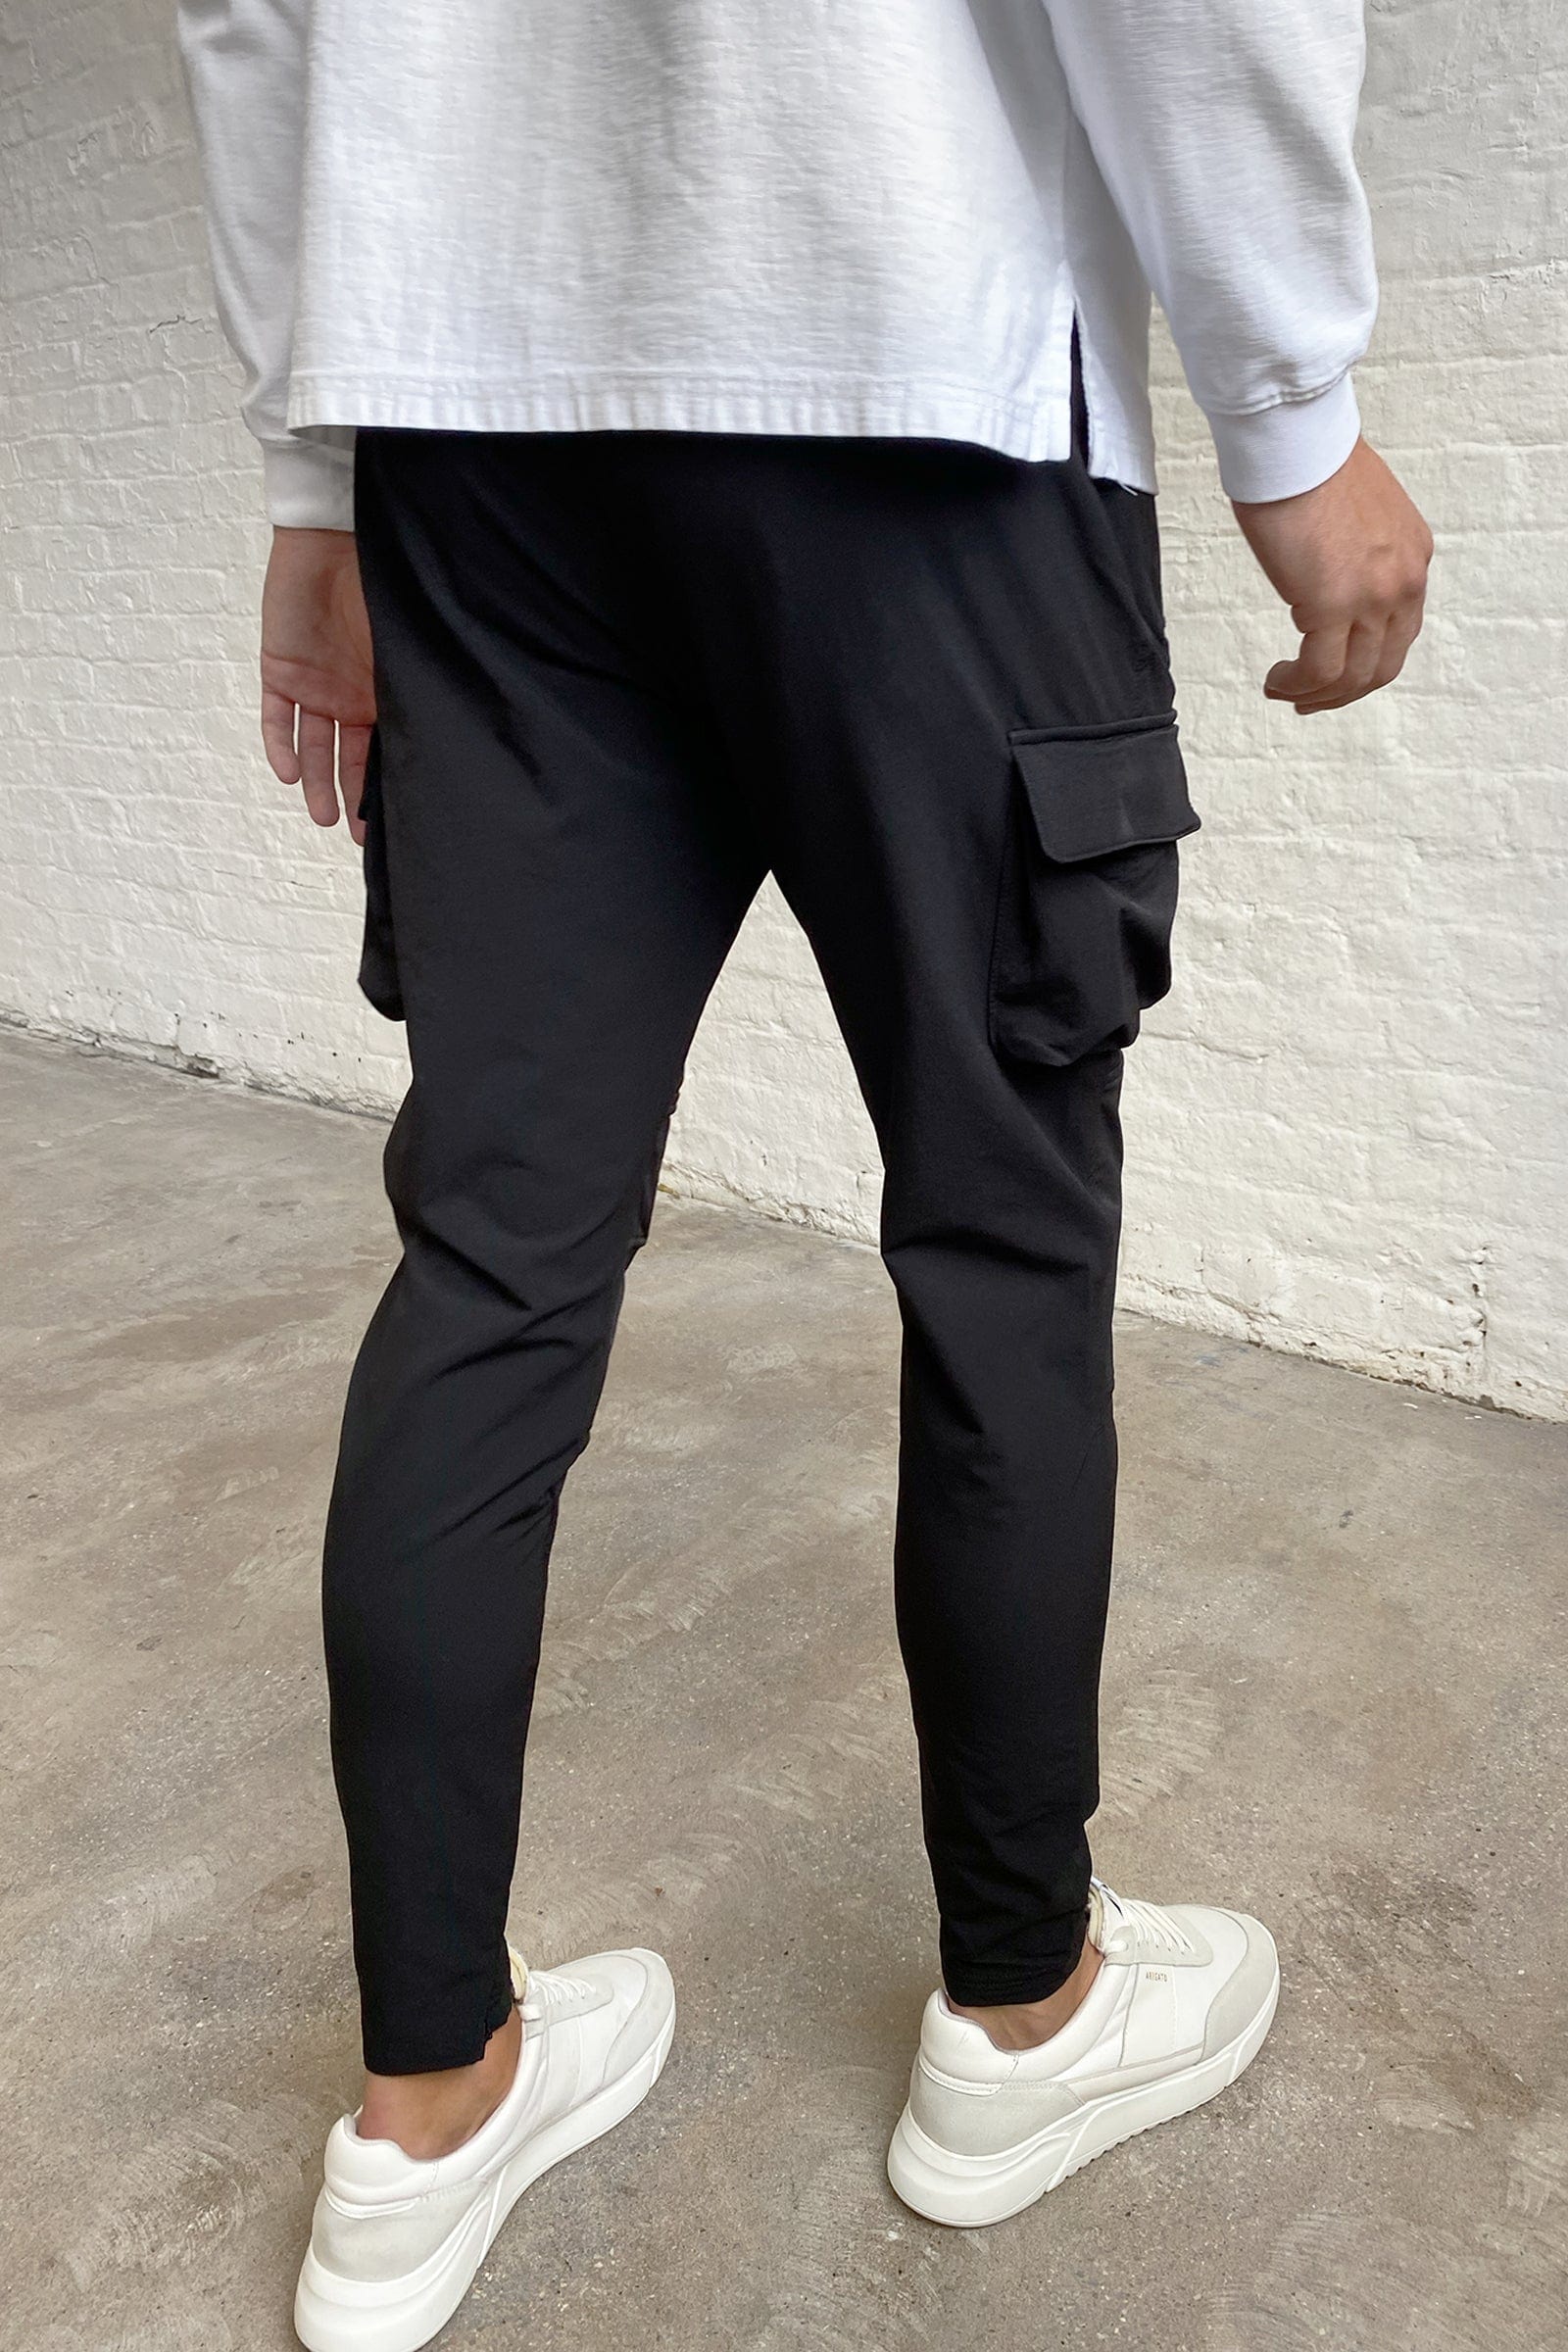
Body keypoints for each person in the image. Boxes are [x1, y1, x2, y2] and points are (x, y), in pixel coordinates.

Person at [177, 3, 1433, 2345]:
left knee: (491, 1263)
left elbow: (255, 13)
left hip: (477, 427)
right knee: (998, 1244)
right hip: (914, 354)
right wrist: (1288, 398)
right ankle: (1021, 2012)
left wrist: (315, 478)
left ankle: (424, 2112)